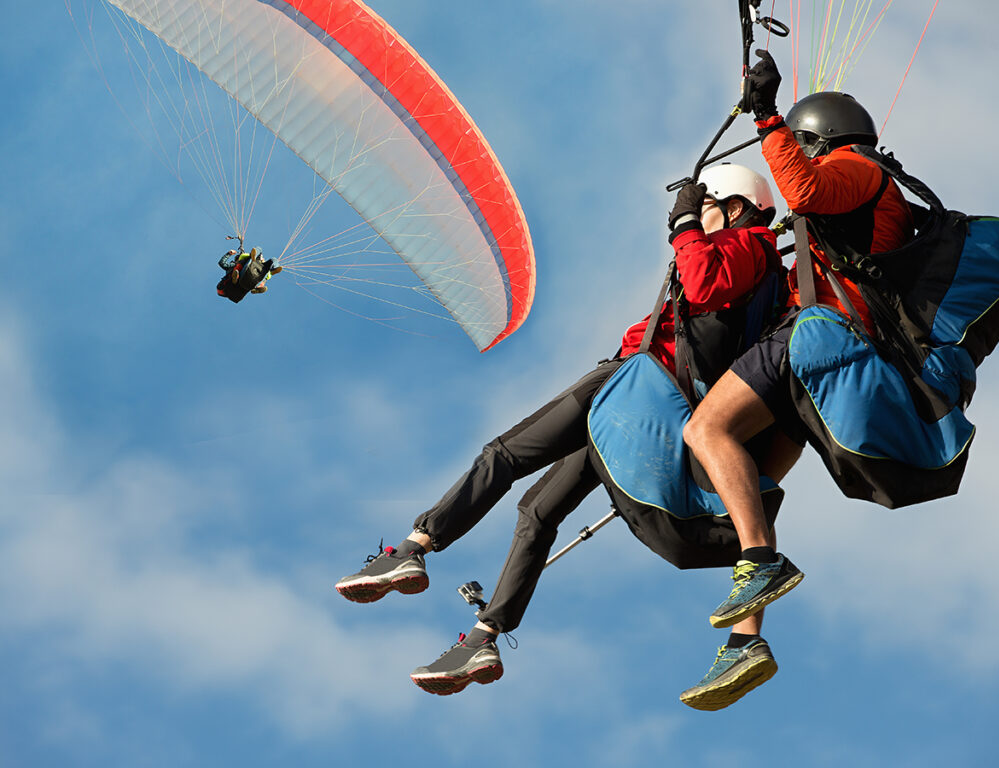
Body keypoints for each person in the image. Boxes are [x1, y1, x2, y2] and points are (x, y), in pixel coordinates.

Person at [336, 165, 793, 708]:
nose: (696, 213)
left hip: (633, 383)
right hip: (644, 403)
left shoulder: (750, 244)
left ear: (734, 208)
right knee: (539, 511)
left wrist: (686, 225)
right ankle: (484, 639)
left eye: (707, 204)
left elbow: (700, 282)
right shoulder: (763, 267)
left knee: (503, 454)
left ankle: (416, 546)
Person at [683, 50, 915, 634]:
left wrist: (767, 117)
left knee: (706, 430)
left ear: (821, 140)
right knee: (751, 485)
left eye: (802, 143)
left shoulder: (861, 172)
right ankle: (746, 641)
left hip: (822, 336)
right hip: (838, 350)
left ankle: (761, 563)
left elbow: (805, 189)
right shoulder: (869, 192)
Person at [216, 246, 281, 302]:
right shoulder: (232, 265)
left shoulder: (243, 260)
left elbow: (221, 263)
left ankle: (273, 269)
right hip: (243, 275)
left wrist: (262, 261)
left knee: (273, 260)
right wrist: (229, 254)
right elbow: (222, 263)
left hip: (253, 273)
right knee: (260, 249)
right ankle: (255, 285)